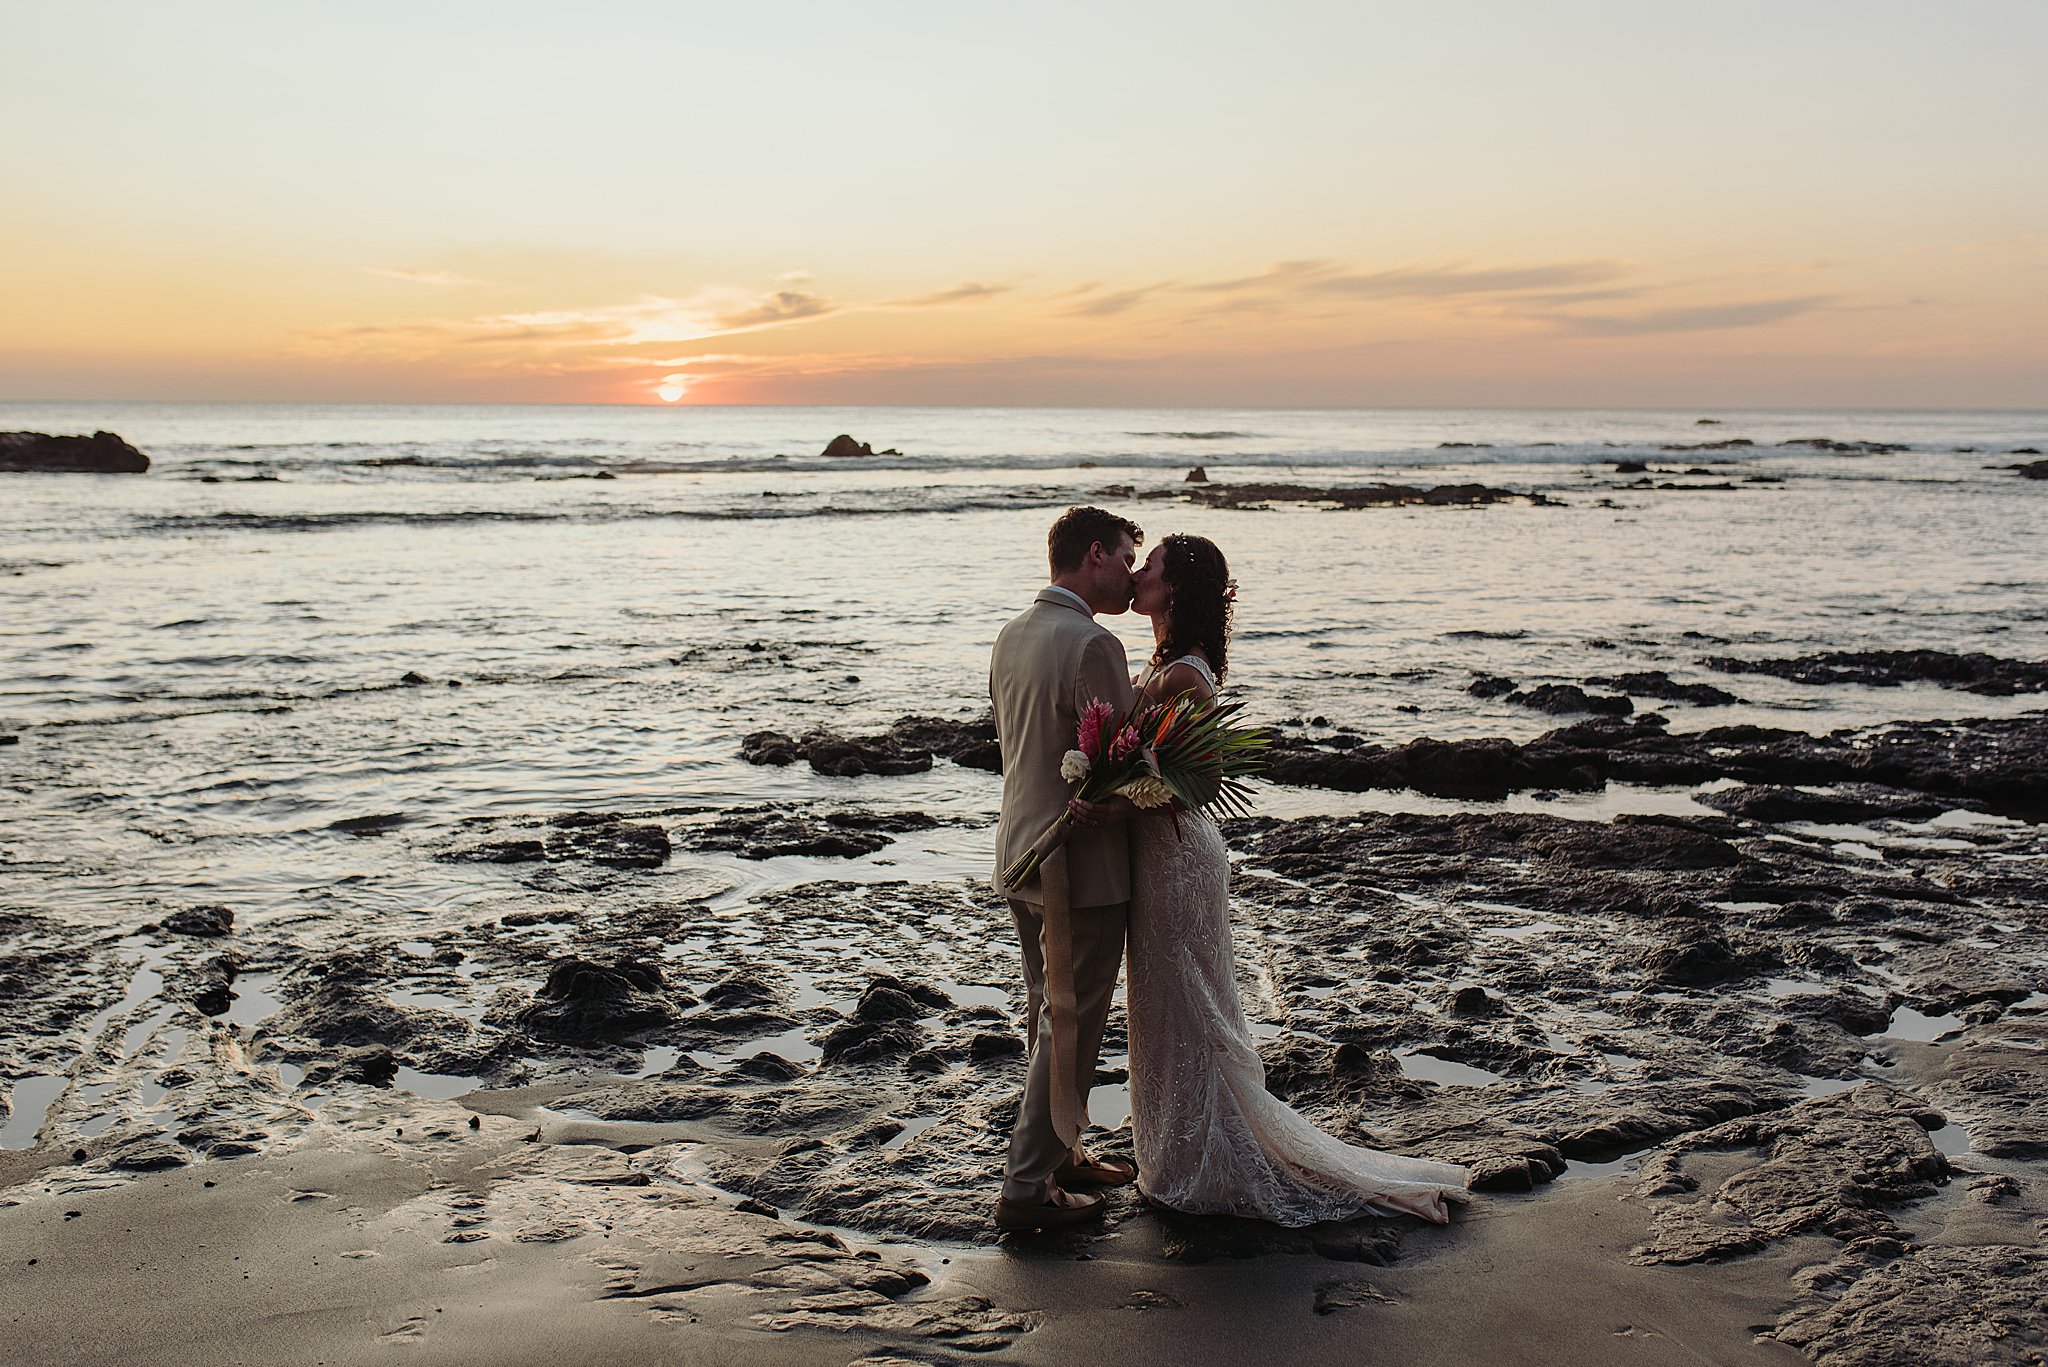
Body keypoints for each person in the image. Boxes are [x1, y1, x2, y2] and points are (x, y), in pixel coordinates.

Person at [1124, 533, 1471, 1225]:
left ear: (1177, 588)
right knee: (1168, 1006)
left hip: (1177, 857)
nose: (1137, 574)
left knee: (1195, 1008)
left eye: (1150, 566)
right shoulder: (1166, 667)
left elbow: (1200, 781)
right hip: (1161, 854)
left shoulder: (1184, 677)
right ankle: (1180, 1148)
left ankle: (1204, 1157)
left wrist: (1118, 788)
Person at [988, 506, 1145, 1231]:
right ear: (1092, 555)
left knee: (1045, 1010)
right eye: (1122, 557)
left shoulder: (1011, 633)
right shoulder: (1093, 642)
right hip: (1076, 866)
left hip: (1020, 848)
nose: (1129, 572)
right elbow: (1116, 765)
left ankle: (1064, 1148)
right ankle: (1025, 1187)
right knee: (1070, 1020)